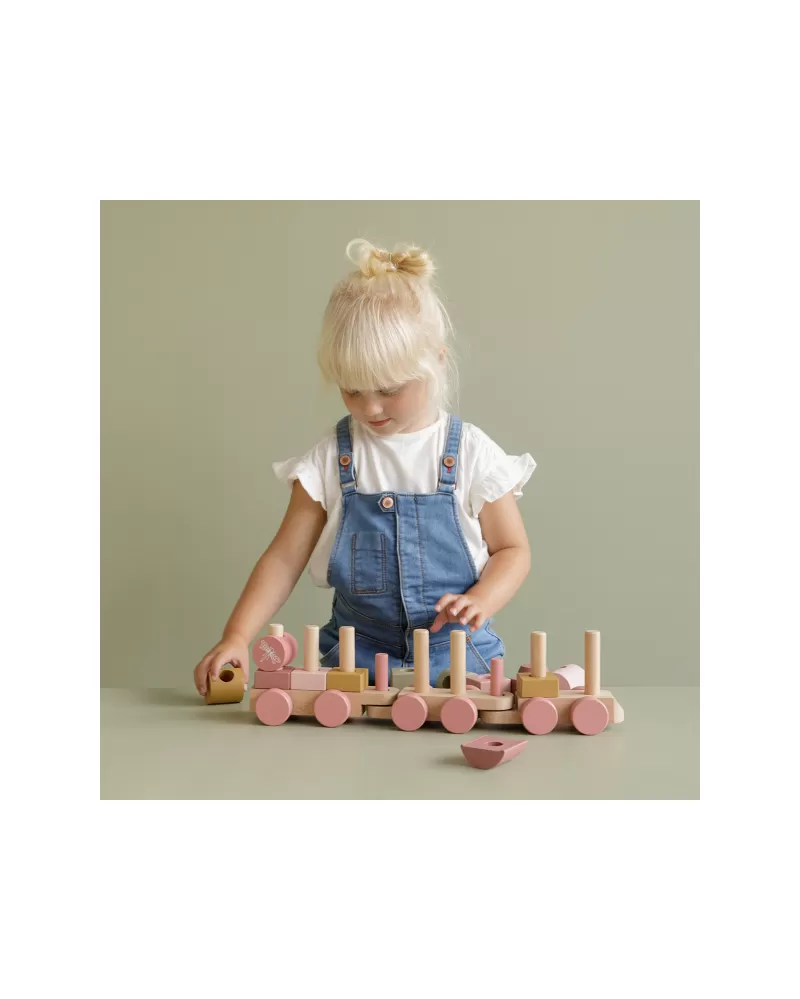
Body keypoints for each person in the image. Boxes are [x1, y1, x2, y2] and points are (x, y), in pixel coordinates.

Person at [194, 238, 535, 695]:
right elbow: (284, 558)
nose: (370, 407)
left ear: (436, 361)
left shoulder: (473, 453)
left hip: (456, 655)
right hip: (353, 660)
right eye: (352, 389)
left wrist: (482, 599)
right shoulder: (331, 459)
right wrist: (237, 635)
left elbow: (513, 550)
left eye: (389, 389)